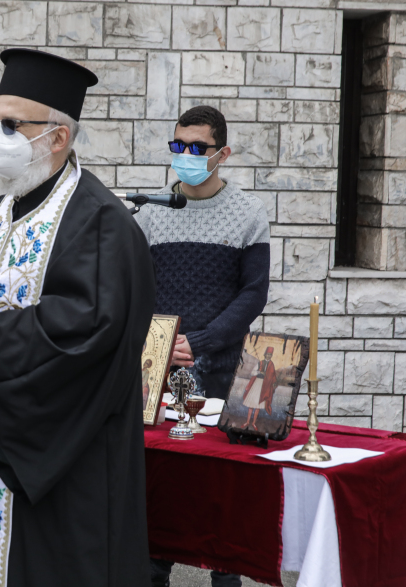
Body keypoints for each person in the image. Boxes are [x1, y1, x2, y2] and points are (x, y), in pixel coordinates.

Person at [0, 48, 156, 587]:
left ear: (57, 137)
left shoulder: (103, 224)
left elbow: (92, 329)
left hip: (49, 455)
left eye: (10, 124)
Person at [135, 105, 270, 587]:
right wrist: (161, 341)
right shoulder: (150, 213)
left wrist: (204, 339)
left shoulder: (249, 213)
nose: (185, 156)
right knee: (157, 490)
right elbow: (135, 288)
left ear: (223, 153)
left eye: (197, 148)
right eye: (178, 146)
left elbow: (253, 292)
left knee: (219, 496)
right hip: (157, 368)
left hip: (222, 369)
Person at [243, 347, 277, 430]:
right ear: (265, 354)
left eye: (270, 355)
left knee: (258, 406)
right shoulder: (260, 363)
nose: (269, 356)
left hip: (264, 386)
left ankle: (254, 423)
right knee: (251, 404)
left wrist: (268, 376)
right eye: (268, 354)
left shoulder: (272, 365)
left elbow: (273, 377)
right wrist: (259, 372)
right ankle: (247, 422)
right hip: (257, 383)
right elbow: (252, 372)